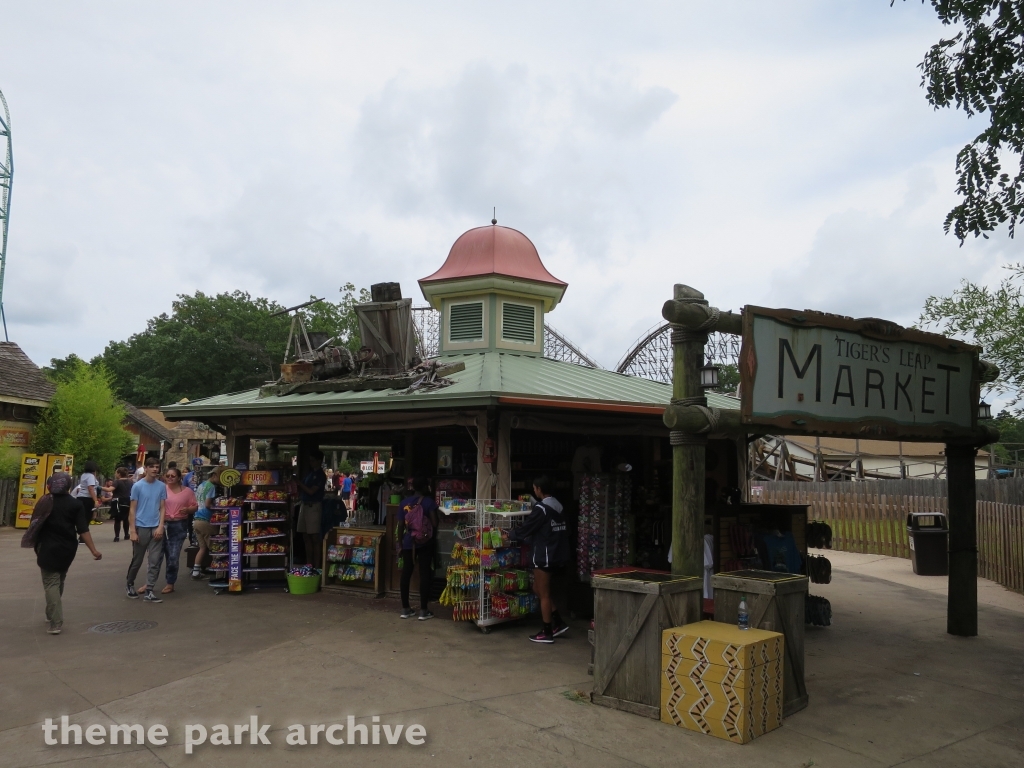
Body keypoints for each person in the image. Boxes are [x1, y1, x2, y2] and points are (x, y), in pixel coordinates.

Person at [27, 473, 102, 634]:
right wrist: (93, 550)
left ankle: (56, 622)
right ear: (68, 486)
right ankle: (51, 613)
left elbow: (34, 524)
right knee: (59, 579)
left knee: (51, 583)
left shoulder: (44, 502)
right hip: (68, 548)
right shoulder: (75, 504)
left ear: (50, 486)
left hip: (47, 548)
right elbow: (83, 530)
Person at [511, 476, 570, 644]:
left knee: (543, 594)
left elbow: (527, 528)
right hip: (555, 552)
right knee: (537, 588)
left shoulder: (542, 509)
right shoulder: (558, 506)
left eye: (535, 488)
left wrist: (510, 534)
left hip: (543, 554)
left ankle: (547, 631)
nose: (534, 491)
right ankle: (558, 621)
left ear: (538, 489)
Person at [396, 478, 439, 621]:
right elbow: (434, 523)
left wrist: (400, 543)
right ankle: (423, 610)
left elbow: (401, 525)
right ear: (426, 487)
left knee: (406, 572)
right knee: (425, 573)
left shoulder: (404, 503)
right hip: (425, 543)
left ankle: (405, 608)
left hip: (409, 542)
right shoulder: (429, 502)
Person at [126, 457, 168, 602]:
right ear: (146, 468)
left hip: (155, 526)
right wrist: (132, 530)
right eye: (152, 467)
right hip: (141, 526)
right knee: (137, 559)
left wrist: (161, 525)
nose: (155, 469)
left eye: (157, 467)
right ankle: (130, 583)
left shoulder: (161, 486)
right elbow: (132, 509)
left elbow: (163, 507)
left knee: (155, 560)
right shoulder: (137, 486)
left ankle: (149, 589)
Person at [160, 467, 198, 594]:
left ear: (178, 478)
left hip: (179, 524)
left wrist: (188, 510)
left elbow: (195, 506)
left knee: (173, 555)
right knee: (156, 555)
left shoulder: (187, 491)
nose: (170, 478)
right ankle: (149, 582)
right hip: (161, 524)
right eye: (168, 475)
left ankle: (170, 583)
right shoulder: (160, 488)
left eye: (173, 476)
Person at [294, 451, 327, 569]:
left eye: (313, 460)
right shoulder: (309, 473)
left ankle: (317, 566)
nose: (311, 462)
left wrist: (299, 483)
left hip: (314, 506)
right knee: (305, 536)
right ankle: (309, 564)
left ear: (319, 461)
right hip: (304, 504)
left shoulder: (320, 475)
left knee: (314, 537)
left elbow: (311, 491)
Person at [191, 465, 221, 579]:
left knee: (202, 548)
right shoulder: (211, 486)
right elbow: (208, 504)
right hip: (205, 520)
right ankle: (218, 572)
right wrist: (219, 508)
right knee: (215, 547)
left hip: (196, 519)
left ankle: (196, 571)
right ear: (214, 475)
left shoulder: (201, 485)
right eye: (219, 477)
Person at [72, 460, 102, 527]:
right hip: (87, 498)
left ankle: (82, 533)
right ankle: (84, 534)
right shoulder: (90, 476)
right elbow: (91, 488)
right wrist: (95, 500)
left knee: (82, 516)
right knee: (87, 517)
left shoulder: (83, 475)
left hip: (80, 497)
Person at [110, 467, 133, 542]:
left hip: (118, 501)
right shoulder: (130, 481)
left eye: (116, 472)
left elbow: (110, 489)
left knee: (117, 519)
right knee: (126, 518)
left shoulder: (117, 482)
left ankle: (117, 536)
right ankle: (126, 534)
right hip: (127, 500)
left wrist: (100, 488)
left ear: (119, 474)